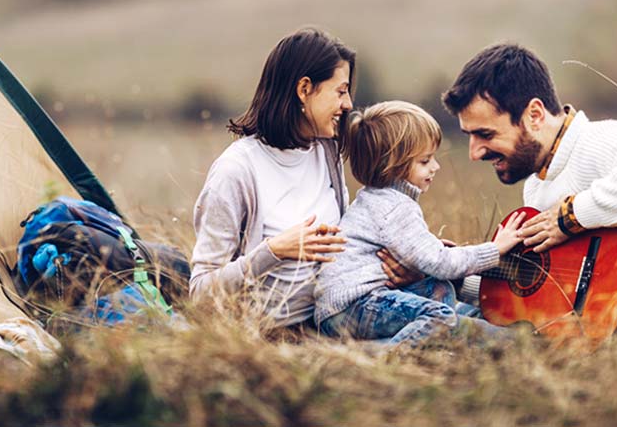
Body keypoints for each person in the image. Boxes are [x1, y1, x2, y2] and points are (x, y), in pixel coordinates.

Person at [442, 43, 617, 334]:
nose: (473, 153)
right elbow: (544, 296)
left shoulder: (602, 140)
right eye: (470, 136)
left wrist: (568, 217)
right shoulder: (537, 187)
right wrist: (450, 274)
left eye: (485, 134)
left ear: (535, 115)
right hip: (594, 351)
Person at [314, 101, 525, 346]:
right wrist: (495, 250)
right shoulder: (395, 206)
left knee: (440, 290)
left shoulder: (379, 199)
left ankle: (466, 337)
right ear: (393, 164)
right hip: (352, 307)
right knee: (439, 317)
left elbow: (425, 262)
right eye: (425, 161)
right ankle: (380, 356)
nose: (435, 167)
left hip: (350, 306)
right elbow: (441, 263)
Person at [188, 28, 355, 328]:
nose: (349, 104)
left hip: (334, 318)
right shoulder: (236, 170)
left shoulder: (326, 150)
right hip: (270, 338)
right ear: (304, 89)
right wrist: (273, 252)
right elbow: (200, 295)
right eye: (341, 91)